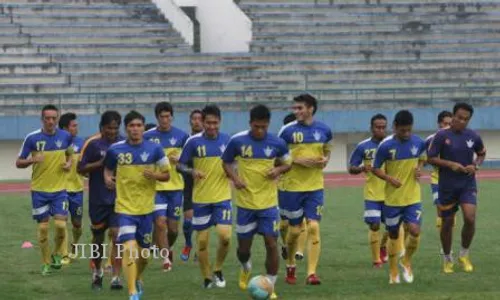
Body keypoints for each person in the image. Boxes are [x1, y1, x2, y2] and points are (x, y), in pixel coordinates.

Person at [223, 104, 292, 300]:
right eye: (256, 126)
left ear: (268, 124)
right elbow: (226, 162)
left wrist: (277, 170)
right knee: (244, 248)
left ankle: (270, 285)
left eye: (263, 126)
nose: (260, 130)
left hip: (269, 203)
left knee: (271, 244)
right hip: (245, 204)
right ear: (250, 123)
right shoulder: (237, 141)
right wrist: (235, 179)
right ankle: (245, 267)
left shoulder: (277, 143)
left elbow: (288, 163)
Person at [104, 110, 170, 300]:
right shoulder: (115, 149)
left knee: (144, 256)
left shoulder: (155, 149)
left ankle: (138, 278)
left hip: (147, 209)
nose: (135, 129)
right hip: (124, 208)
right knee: (129, 248)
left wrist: (155, 175)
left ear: (143, 127)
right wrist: (108, 178)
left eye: (139, 125)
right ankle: (132, 291)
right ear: (126, 128)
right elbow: (108, 168)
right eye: (131, 126)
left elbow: (167, 174)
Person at [278, 94, 332, 285]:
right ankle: (290, 264)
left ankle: (311, 273)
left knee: (314, 227)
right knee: (293, 231)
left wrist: (325, 160)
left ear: (310, 109)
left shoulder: (324, 130)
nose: (296, 112)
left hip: (315, 187)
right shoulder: (286, 131)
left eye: (299, 108)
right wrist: (297, 160)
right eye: (295, 108)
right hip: (291, 188)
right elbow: (276, 158)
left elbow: (327, 151)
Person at [427, 103, 486, 274]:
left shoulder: (473, 136)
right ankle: (447, 258)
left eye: (465, 119)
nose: (461, 121)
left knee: (470, 218)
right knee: (447, 222)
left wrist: (476, 165)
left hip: (467, 184)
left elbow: (481, 153)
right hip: (447, 186)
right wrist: (450, 164)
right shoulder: (441, 136)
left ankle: (464, 255)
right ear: (453, 116)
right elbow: (431, 158)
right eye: (459, 117)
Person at [178, 105, 232, 288]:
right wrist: (191, 171)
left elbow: (235, 163)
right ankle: (207, 277)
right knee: (202, 241)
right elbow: (180, 165)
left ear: (220, 122)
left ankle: (217, 268)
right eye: (208, 123)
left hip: (222, 197)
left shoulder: (228, 141)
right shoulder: (193, 142)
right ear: (202, 122)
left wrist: (234, 172)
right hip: (200, 199)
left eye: (215, 123)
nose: (211, 126)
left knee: (225, 236)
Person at [16, 104, 73, 275]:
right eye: (47, 118)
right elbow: (19, 162)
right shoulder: (32, 138)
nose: (50, 121)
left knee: (61, 225)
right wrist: (33, 160)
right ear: (42, 119)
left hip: (60, 190)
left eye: (53, 118)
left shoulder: (65, 136)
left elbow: (69, 153)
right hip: (39, 190)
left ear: (57, 119)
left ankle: (56, 254)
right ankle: (46, 262)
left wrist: (68, 163)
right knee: (43, 229)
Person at [372, 110, 426, 284]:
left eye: (409, 130)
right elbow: (375, 168)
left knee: (415, 231)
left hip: (412, 197)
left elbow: (423, 158)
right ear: (395, 127)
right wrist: (388, 178)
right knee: (393, 234)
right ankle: (393, 271)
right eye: (402, 130)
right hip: (393, 199)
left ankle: (406, 261)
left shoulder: (418, 142)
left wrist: (419, 168)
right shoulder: (385, 146)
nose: (406, 134)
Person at [78, 110, 124, 290]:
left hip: (119, 199)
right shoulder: (92, 143)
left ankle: (116, 277)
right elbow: (80, 168)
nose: (112, 132)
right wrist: (101, 163)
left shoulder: (124, 143)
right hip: (98, 199)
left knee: (117, 236)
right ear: (101, 127)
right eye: (108, 128)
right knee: (98, 239)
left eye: (115, 128)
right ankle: (97, 271)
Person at [143, 102, 189, 271]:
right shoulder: (147, 136)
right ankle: (165, 259)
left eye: (167, 116)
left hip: (176, 187)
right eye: (162, 117)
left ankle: (165, 247)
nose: (165, 119)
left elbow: (188, 161)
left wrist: (181, 161)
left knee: (173, 229)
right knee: (160, 223)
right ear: (157, 118)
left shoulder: (182, 136)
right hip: (156, 188)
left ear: (172, 117)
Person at [348, 114, 390, 268]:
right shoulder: (363, 146)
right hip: (372, 193)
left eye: (383, 127)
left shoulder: (392, 144)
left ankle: (383, 245)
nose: (381, 130)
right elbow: (351, 168)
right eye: (378, 127)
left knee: (394, 226)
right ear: (371, 128)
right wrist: (360, 168)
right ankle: (376, 260)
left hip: (391, 192)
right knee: (374, 225)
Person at [278, 113, 308, 261]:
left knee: (302, 221)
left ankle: (299, 252)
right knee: (284, 224)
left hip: (304, 186)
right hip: (285, 187)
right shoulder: (282, 143)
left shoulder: (307, 144)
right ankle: (284, 244)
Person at [58, 112, 85, 265]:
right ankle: (64, 254)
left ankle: (74, 245)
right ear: (65, 128)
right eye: (74, 125)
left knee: (77, 223)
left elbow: (84, 166)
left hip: (77, 190)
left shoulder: (82, 143)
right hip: (61, 190)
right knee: (61, 222)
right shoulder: (57, 143)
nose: (77, 128)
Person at [180, 109, 204, 262]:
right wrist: (190, 170)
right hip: (189, 183)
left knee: (202, 221)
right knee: (188, 221)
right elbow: (180, 163)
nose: (196, 121)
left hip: (206, 184)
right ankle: (188, 243)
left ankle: (199, 250)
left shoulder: (209, 140)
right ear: (190, 121)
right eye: (194, 118)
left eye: (199, 118)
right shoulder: (185, 140)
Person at [425, 111, 453, 240]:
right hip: (437, 179)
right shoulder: (430, 139)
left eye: (450, 123)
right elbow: (422, 158)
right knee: (441, 210)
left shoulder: (457, 138)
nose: (447, 126)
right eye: (445, 123)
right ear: (439, 123)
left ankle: (447, 241)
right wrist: (418, 166)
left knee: (451, 215)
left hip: (454, 181)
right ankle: (444, 247)